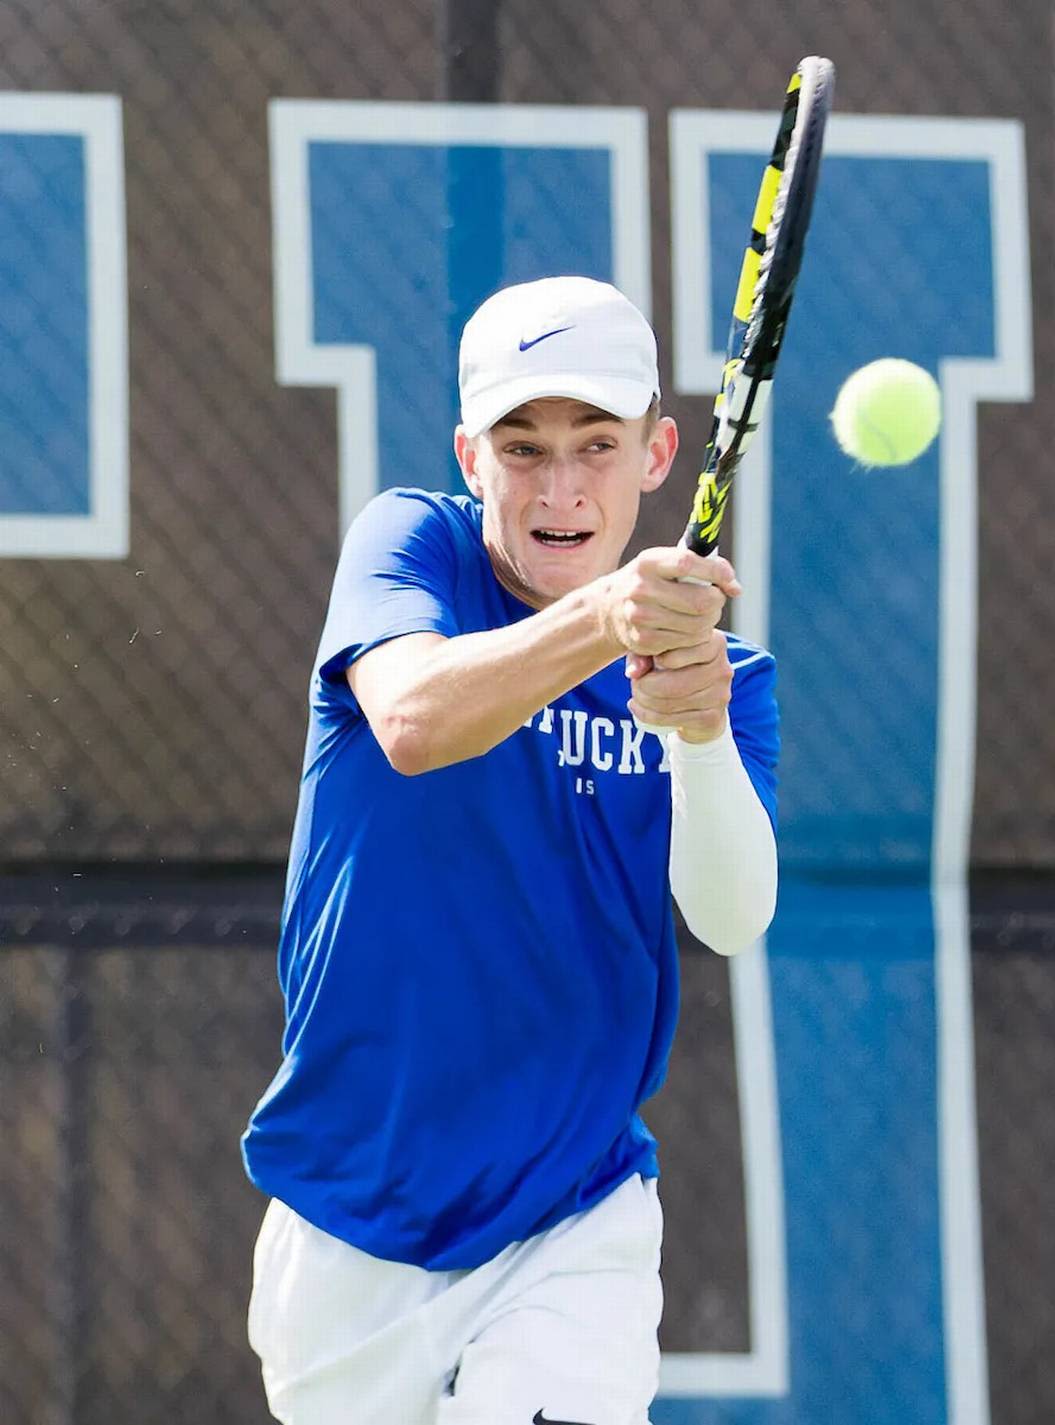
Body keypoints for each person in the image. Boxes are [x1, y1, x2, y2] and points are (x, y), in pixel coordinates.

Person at [241, 275, 779, 1425]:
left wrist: (696, 730)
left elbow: (729, 918)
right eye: (523, 448)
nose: (562, 486)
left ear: (657, 452)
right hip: (351, 1218)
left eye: (596, 443)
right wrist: (605, 620)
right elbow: (415, 723)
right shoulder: (410, 547)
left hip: (573, 1215)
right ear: (470, 456)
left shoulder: (727, 683)